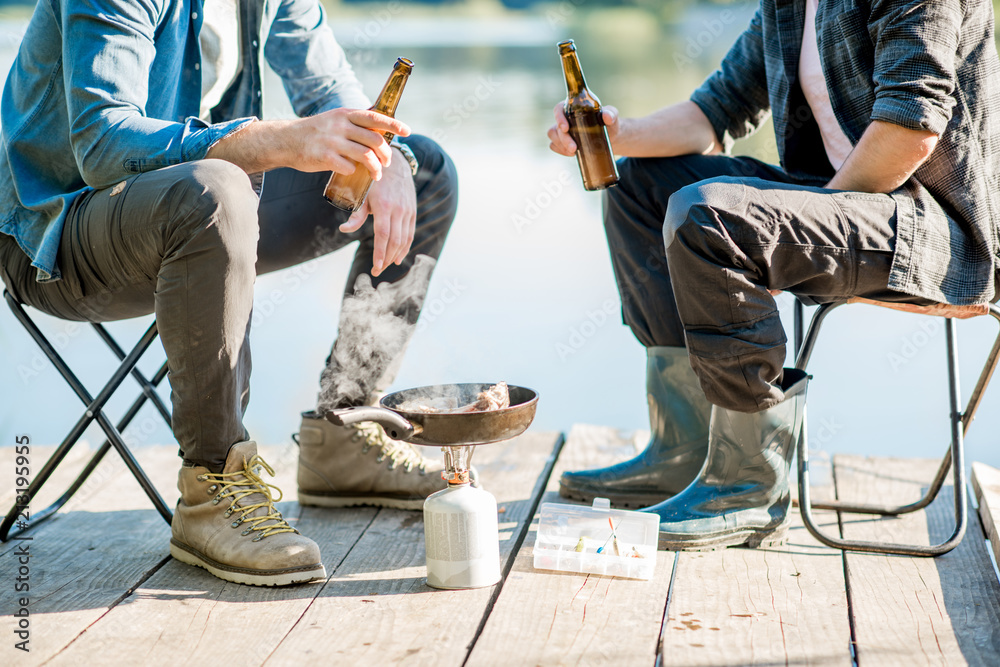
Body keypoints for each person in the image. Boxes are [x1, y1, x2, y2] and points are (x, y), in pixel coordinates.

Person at [0, 0, 459, 586]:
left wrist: (383, 155)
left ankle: (345, 428)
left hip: (199, 215)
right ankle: (213, 485)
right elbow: (104, 143)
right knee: (218, 187)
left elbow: (331, 95)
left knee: (423, 170)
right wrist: (275, 141)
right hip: (58, 237)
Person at [548, 0, 1000, 550]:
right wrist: (614, 135)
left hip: (938, 231)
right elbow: (712, 115)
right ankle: (684, 450)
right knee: (639, 187)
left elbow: (911, 130)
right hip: (843, 206)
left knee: (710, 214)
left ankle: (745, 485)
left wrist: (799, 228)